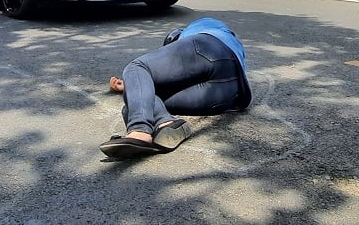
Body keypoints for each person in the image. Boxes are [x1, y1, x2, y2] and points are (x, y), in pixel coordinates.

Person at [99, 17, 252, 159]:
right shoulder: (234, 45)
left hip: (209, 46)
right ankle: (167, 124)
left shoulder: (199, 27)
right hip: (232, 93)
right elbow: (144, 90)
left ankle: (140, 130)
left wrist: (132, 79)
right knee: (136, 103)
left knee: (137, 68)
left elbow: (152, 73)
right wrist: (130, 86)